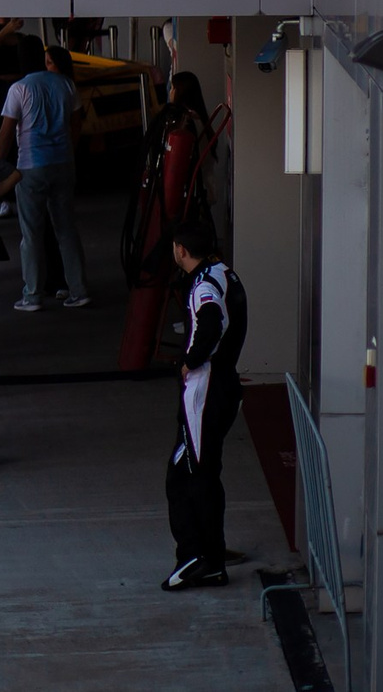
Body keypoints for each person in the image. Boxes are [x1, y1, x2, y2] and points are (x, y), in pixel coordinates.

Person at [164, 227, 249, 590]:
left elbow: (211, 323)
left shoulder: (203, 286)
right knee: (198, 471)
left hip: (207, 391)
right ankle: (209, 555)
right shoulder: (224, 273)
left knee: (189, 475)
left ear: (181, 250)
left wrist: (189, 360)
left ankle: (199, 559)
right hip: (223, 387)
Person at [0, 44, 90, 309]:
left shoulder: (19, 88)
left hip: (30, 166)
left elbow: (6, 131)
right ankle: (78, 289)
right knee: (67, 230)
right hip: (63, 163)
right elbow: (76, 123)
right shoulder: (66, 85)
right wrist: (69, 151)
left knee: (31, 233)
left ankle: (33, 294)